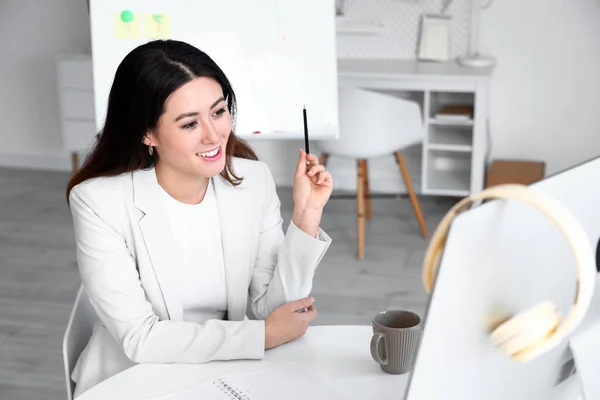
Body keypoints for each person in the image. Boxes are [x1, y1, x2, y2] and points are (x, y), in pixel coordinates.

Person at [65, 39, 333, 397]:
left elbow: (275, 309)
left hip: (223, 374)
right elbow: (141, 338)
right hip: (134, 379)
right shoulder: (98, 201)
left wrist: (307, 215)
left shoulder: (253, 180)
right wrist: (263, 336)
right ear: (147, 133)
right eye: (190, 124)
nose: (214, 135)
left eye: (219, 112)